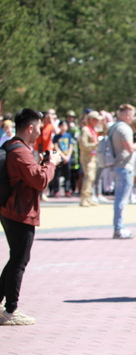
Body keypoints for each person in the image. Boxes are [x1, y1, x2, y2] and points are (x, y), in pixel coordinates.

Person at [0, 109, 60, 326]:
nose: (41, 132)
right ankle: (10, 311)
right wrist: (51, 162)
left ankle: (3, 306)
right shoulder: (20, 152)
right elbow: (40, 180)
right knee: (19, 261)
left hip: (12, 210)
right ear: (31, 128)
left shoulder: (13, 146)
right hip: (19, 212)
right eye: (39, 127)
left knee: (15, 258)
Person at [111, 104, 136, 239]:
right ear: (127, 114)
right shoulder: (124, 128)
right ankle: (119, 228)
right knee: (121, 200)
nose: (132, 117)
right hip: (124, 167)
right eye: (132, 114)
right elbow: (130, 148)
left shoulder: (114, 126)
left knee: (120, 199)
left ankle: (118, 227)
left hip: (117, 165)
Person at [78, 111, 103, 207]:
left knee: (92, 178)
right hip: (87, 157)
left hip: (92, 156)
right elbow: (83, 145)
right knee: (89, 177)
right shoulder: (85, 130)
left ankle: (88, 198)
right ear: (90, 120)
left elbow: (105, 131)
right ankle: (84, 198)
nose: (97, 122)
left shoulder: (92, 129)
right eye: (95, 120)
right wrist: (96, 145)